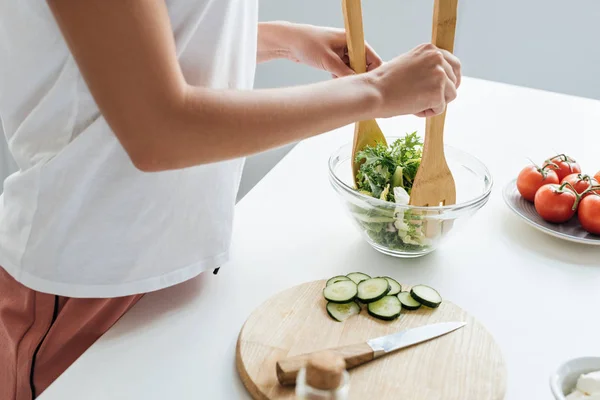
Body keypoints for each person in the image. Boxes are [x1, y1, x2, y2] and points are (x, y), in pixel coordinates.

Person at [0, 1, 461, 399]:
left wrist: (285, 41)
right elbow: (158, 131)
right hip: (83, 285)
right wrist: (375, 92)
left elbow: (153, 42)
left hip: (181, 266)